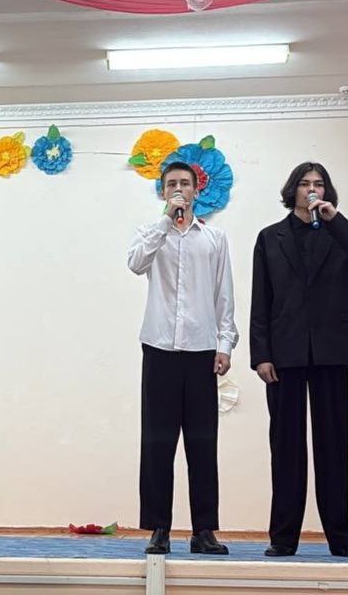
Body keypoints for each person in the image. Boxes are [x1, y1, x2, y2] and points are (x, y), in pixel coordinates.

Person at [250, 162, 348, 558]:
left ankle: (342, 536)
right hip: (285, 354)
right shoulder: (269, 237)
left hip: (331, 351)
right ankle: (283, 536)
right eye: (305, 183)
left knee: (334, 446)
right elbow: (261, 300)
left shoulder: (338, 232)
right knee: (286, 446)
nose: (312, 189)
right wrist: (261, 355)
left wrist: (336, 220)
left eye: (319, 184)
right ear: (293, 190)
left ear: (326, 191)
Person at [128, 161, 238, 555]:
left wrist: (225, 344)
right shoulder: (150, 233)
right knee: (157, 442)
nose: (179, 189)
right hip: (159, 349)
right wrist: (164, 222)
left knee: (202, 443)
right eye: (172, 184)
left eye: (185, 184)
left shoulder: (214, 238)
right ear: (163, 192)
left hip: (201, 351)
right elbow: (135, 263)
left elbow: (224, 293)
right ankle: (159, 528)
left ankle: (203, 530)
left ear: (196, 191)